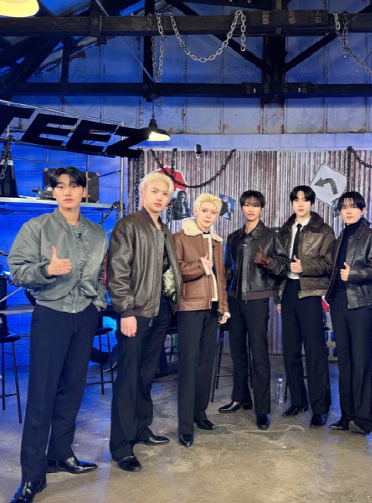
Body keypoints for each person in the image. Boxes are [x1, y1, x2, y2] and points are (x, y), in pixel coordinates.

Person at [8, 167, 107, 503]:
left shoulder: (97, 233)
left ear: (84, 192)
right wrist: (46, 270)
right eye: (60, 186)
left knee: (73, 390)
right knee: (42, 395)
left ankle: (61, 454)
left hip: (85, 315)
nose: (67, 191)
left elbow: (101, 275)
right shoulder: (36, 227)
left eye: (74, 186)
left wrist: (97, 302)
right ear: (52, 191)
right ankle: (32, 477)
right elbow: (17, 271)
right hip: (51, 315)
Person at [106, 171, 183, 472]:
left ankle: (140, 428)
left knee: (146, 375)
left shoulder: (163, 229)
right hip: (135, 313)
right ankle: (121, 445)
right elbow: (117, 271)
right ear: (143, 193)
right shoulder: (129, 225)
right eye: (155, 192)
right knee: (128, 378)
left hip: (160, 311)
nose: (160, 198)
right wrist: (125, 312)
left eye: (165, 194)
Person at [220, 190, 289, 430]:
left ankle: (262, 409)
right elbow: (227, 271)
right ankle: (240, 397)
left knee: (259, 354)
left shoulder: (270, 236)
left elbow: (284, 266)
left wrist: (268, 262)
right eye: (247, 204)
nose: (251, 208)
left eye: (255, 205)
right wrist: (223, 301)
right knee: (237, 351)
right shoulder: (234, 237)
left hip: (258, 300)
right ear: (241, 207)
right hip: (235, 300)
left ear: (262, 208)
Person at [325, 191, 372, 436]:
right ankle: (347, 415)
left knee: (361, 361)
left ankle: (364, 419)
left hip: (362, 303)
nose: (348, 211)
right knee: (345, 362)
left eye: (353, 206)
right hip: (339, 302)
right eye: (344, 207)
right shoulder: (340, 237)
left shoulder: (370, 235)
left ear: (362, 210)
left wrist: (354, 275)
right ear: (340, 212)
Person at [172, 194, 230, 447]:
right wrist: (200, 266)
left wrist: (224, 307)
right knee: (188, 365)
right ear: (195, 211)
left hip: (212, 308)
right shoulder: (179, 238)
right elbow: (175, 271)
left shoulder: (216, 241)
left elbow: (221, 277)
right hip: (189, 307)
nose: (208, 215)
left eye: (213, 212)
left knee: (206, 364)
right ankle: (185, 425)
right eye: (204, 210)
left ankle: (200, 414)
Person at [277, 185, 335, 428]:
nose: (300, 204)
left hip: (310, 292)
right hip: (288, 292)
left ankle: (320, 408)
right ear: (292, 203)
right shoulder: (285, 230)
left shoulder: (324, 230)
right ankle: (298, 401)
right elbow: (279, 264)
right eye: (296, 200)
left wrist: (305, 267)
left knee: (314, 352)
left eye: (305, 200)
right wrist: (278, 297)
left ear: (312, 203)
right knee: (290, 351)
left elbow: (330, 264)